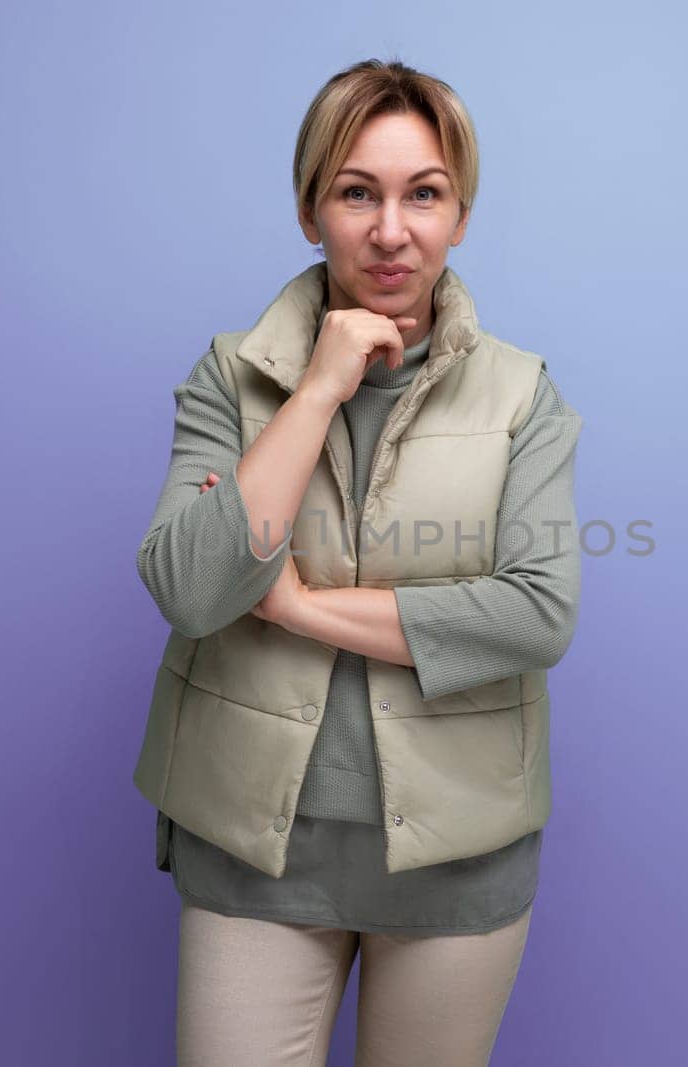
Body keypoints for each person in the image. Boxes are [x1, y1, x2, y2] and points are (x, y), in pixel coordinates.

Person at [133, 57, 583, 1065]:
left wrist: (290, 604)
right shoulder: (231, 371)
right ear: (309, 211)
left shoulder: (522, 394)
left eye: (423, 193)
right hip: (254, 849)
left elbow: (535, 613)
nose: (391, 230)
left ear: (459, 212)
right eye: (355, 193)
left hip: (456, 859)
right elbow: (192, 586)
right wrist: (316, 389)